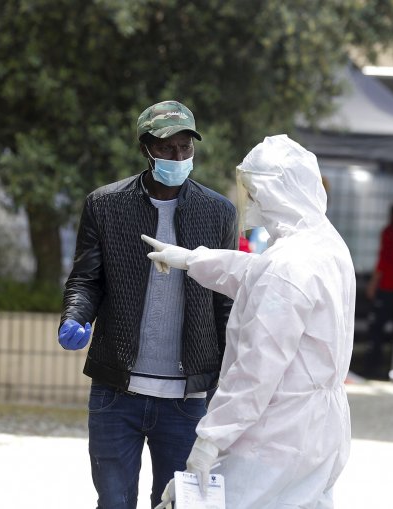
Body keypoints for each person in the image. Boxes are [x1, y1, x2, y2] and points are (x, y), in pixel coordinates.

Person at [145, 134, 356, 509]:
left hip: (277, 431)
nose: (252, 202)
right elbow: (257, 272)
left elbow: (256, 370)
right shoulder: (324, 244)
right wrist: (193, 259)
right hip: (321, 427)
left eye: (255, 192)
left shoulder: (288, 265)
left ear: (278, 192)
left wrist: (210, 441)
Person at [58, 100, 237, 509]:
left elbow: (225, 303)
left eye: (185, 148)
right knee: (114, 502)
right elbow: (86, 278)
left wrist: (229, 375)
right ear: (146, 149)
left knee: (177, 505)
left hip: (187, 398)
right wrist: (75, 316)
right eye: (167, 148)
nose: (177, 157)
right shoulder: (105, 205)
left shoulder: (218, 212)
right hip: (116, 390)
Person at [364, 202, 393, 378]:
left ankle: (375, 361)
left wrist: (373, 283)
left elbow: (383, 260)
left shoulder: (391, 232)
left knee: (379, 327)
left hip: (389, 286)